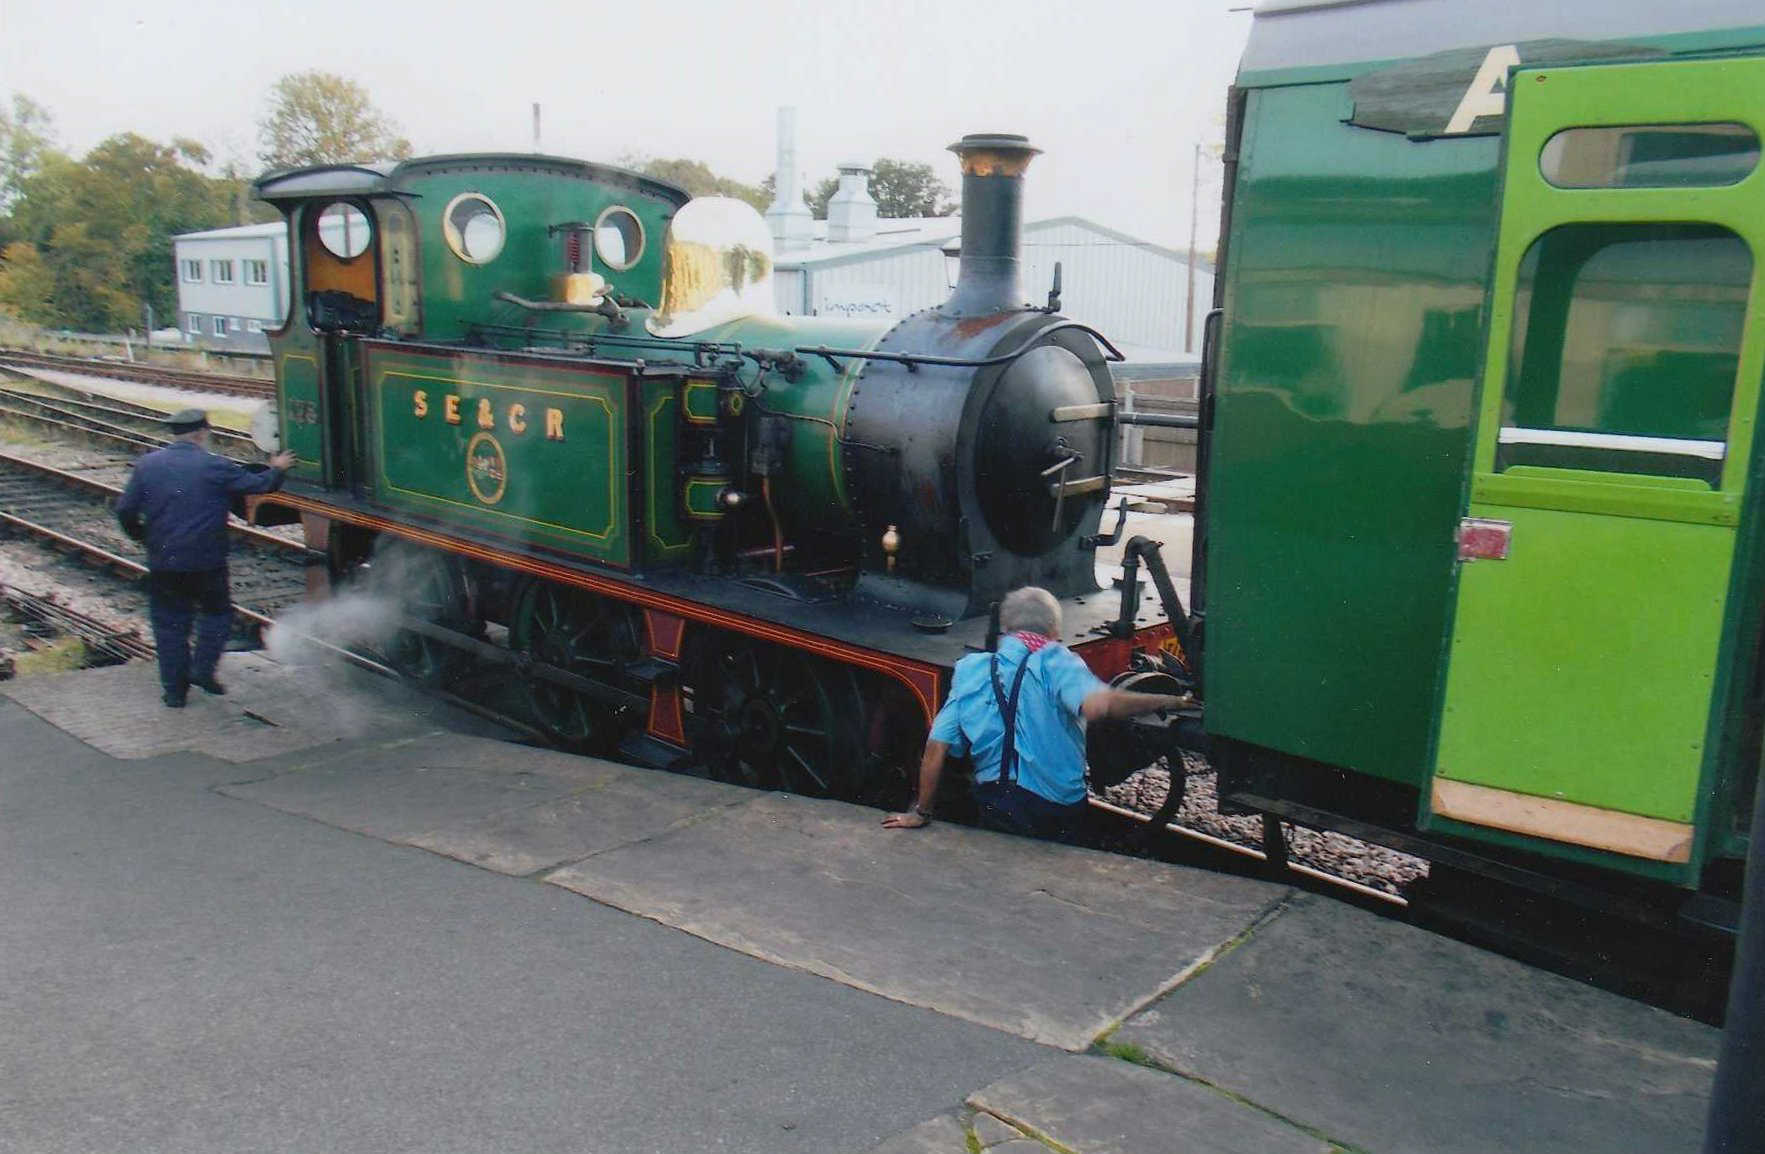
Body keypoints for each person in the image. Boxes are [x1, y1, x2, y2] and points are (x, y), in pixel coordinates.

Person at [883, 585, 1185, 842]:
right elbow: (1101, 704)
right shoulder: (1059, 662)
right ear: (1054, 629)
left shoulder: (971, 670)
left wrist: (921, 812)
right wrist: (1166, 701)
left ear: (1006, 628)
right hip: (1058, 807)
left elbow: (936, 747)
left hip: (996, 804)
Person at [115, 409, 295, 707]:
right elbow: (260, 485)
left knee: (169, 624)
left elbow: (125, 510)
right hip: (207, 560)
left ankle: (174, 693)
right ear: (201, 433)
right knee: (217, 615)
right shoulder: (215, 466)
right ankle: (203, 669)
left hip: (164, 561)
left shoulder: (147, 465)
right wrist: (277, 467)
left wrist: (142, 537)